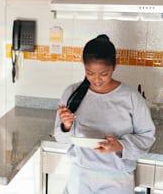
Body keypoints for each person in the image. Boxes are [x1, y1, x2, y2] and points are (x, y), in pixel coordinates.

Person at [54, 34, 156, 194]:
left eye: (103, 74)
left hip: (117, 181)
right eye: (90, 73)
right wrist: (66, 126)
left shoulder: (131, 98)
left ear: (114, 66)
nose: (96, 80)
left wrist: (120, 145)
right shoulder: (73, 94)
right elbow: (60, 138)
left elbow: (147, 138)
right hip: (81, 178)